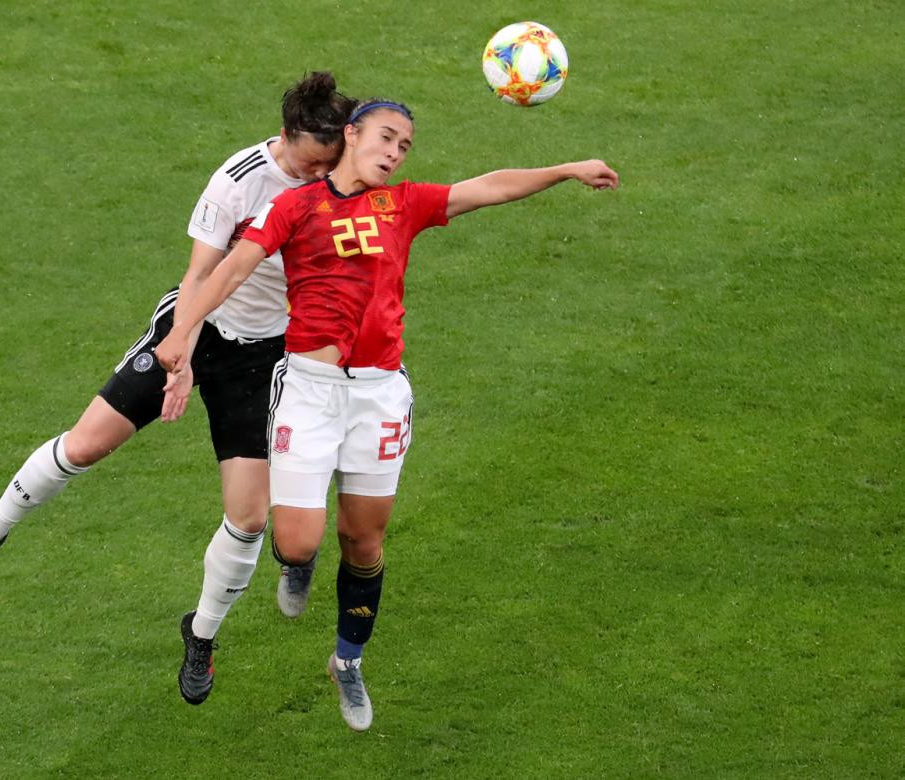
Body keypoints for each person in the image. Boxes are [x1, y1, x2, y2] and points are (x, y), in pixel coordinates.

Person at [155, 98, 618, 730]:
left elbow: (486, 189)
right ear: (350, 135)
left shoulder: (402, 205)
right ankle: (296, 563)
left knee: (364, 540)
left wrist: (565, 169)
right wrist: (182, 332)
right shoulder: (294, 206)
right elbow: (232, 268)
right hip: (310, 392)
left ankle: (347, 660)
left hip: (377, 396)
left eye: (404, 146)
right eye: (385, 137)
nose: (395, 152)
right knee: (295, 540)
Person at [0, 72, 358, 705]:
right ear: (285, 137)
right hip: (200, 326)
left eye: (327, 166)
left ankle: (202, 635)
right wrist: (182, 355)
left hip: (267, 358)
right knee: (84, 446)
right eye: (307, 164)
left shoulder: (346, 179)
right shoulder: (239, 181)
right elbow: (199, 274)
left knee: (248, 517)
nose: (314, 179)